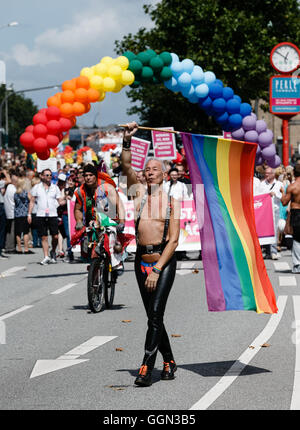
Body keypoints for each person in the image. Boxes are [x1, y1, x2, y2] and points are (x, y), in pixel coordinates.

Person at [121, 122, 180, 387]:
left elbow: (174, 240)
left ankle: (146, 366)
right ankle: (169, 360)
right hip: (140, 262)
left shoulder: (172, 202)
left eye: (155, 169)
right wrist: (126, 141)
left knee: (155, 314)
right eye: (147, 169)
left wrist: (157, 270)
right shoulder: (138, 194)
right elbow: (125, 166)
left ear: (164, 174)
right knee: (153, 317)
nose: (150, 172)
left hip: (163, 264)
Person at [74, 163, 125, 272]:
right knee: (88, 248)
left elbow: (118, 204)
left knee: (112, 243)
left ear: (96, 176)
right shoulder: (80, 191)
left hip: (109, 220)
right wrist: (79, 221)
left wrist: (121, 221)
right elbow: (77, 209)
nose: (88, 178)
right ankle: (95, 268)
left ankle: (117, 262)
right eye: (86, 175)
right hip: (92, 222)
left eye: (91, 175)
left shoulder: (106, 187)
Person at [28, 169, 63, 265]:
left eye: (50, 175)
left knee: (55, 236)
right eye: (47, 175)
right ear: (42, 176)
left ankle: (53, 251)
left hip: (53, 214)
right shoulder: (36, 187)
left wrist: (67, 201)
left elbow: (60, 201)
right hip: (41, 214)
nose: (49, 177)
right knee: (44, 237)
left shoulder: (55, 188)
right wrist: (29, 214)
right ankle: (46, 256)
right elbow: (31, 201)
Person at [257, 166, 283, 260]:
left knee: (274, 231)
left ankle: (273, 251)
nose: (266, 175)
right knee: (265, 231)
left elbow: (283, 197)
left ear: (273, 174)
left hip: (274, 210)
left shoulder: (279, 184)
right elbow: (258, 196)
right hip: (264, 211)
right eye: (265, 174)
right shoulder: (262, 184)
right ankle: (267, 251)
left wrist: (276, 194)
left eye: (268, 174)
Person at [281, 164, 300, 273]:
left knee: (297, 239)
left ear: (294, 173)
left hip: (296, 212)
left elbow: (284, 202)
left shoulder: (292, 187)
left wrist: (282, 192)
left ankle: (297, 264)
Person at [14, 176, 34, 254]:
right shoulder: (26, 193)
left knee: (18, 232)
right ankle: (26, 248)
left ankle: (19, 248)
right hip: (25, 213)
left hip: (17, 214)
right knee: (25, 232)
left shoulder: (15, 193)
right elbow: (32, 200)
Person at [4, 170, 18, 254]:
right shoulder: (12, 189)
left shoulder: (9, 187)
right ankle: (10, 247)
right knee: (12, 231)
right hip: (12, 212)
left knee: (9, 231)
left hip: (9, 212)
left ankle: (9, 246)